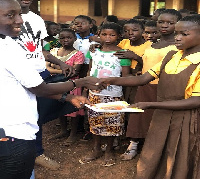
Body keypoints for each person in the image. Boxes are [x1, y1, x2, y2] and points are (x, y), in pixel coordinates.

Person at [0, 0, 102, 179]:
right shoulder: (7, 49)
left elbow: (25, 82)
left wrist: (68, 96)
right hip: (13, 133)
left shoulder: (9, 43)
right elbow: (39, 87)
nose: (19, 21)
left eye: (19, 14)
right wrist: (80, 82)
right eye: (10, 15)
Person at [100, 14, 200, 178]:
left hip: (187, 120)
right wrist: (112, 80)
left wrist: (151, 105)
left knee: (181, 158)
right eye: (177, 33)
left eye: (184, 34)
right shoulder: (171, 56)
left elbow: (195, 101)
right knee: (155, 155)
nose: (178, 38)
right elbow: (144, 78)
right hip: (162, 116)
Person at [4, 0, 75, 170]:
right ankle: (27, 154)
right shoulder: (5, 22)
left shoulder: (36, 19)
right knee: (19, 116)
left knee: (36, 116)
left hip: (39, 72)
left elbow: (41, 49)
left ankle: (35, 152)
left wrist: (60, 62)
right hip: (16, 75)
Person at [120, 9, 181, 161]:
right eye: (161, 22)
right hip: (145, 84)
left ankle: (157, 149)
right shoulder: (153, 44)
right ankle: (133, 145)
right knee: (139, 116)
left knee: (159, 119)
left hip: (164, 88)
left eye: (170, 23)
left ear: (178, 24)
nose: (164, 26)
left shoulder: (177, 45)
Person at [79, 23, 131, 166]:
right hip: (94, 94)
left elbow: (126, 77)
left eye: (112, 35)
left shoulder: (122, 53)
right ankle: (96, 149)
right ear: (99, 35)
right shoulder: (94, 51)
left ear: (119, 36)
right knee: (95, 122)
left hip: (113, 95)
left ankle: (109, 150)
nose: (107, 38)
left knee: (112, 124)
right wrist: (85, 90)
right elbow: (90, 71)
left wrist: (124, 97)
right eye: (104, 34)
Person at [46, 28, 85, 145]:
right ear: (59, 39)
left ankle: (73, 134)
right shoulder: (53, 51)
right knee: (59, 106)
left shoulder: (78, 54)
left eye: (69, 37)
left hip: (72, 84)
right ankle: (63, 130)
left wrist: (55, 68)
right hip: (56, 84)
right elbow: (47, 68)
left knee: (73, 109)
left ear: (75, 39)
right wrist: (65, 68)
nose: (65, 40)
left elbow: (74, 72)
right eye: (62, 38)